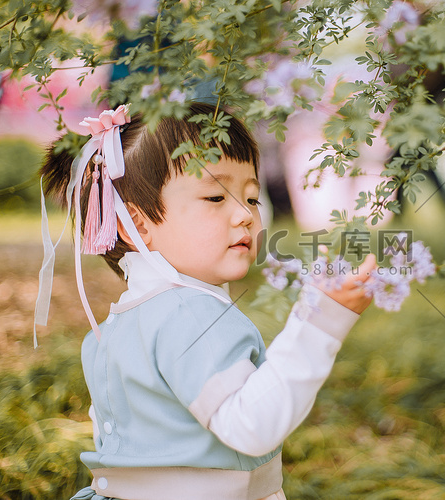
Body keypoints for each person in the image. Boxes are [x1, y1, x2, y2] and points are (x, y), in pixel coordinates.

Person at [36, 102, 376, 500]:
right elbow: (252, 424)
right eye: (216, 197)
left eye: (252, 198)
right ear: (139, 225)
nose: (245, 216)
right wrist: (319, 320)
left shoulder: (111, 330)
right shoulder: (191, 314)